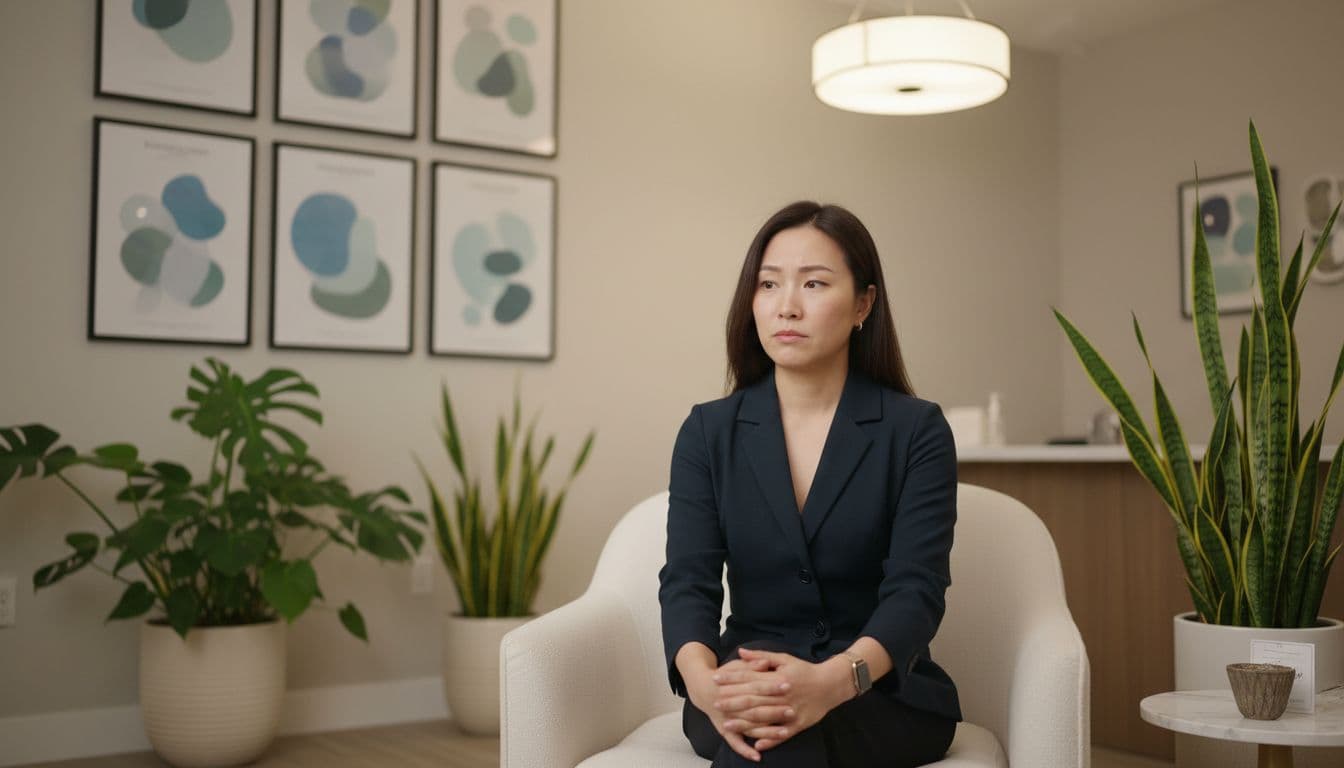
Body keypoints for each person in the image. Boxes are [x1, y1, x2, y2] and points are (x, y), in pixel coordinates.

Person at [658, 201, 960, 767]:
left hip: (873, 691)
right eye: (768, 285)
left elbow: (916, 592)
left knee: (776, 736)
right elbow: (687, 583)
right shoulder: (708, 431)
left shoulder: (915, 431)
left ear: (863, 303)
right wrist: (707, 688)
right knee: (770, 721)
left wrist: (827, 684)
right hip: (740, 685)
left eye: (814, 284)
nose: (786, 307)